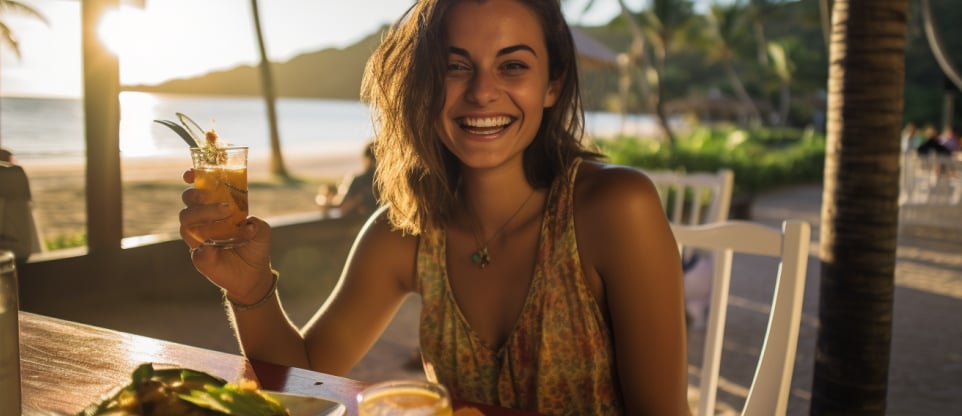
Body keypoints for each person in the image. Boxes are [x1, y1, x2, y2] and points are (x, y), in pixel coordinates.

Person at [179, 1, 689, 414]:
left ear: (552, 84)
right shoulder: (405, 232)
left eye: (512, 66)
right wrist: (248, 289)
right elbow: (304, 384)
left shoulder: (615, 210)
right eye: (455, 67)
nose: (483, 92)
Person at [315, 142, 379, 218]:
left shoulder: (358, 181)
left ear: (367, 159)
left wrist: (322, 200)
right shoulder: (386, 185)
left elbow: (340, 205)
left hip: (360, 225)